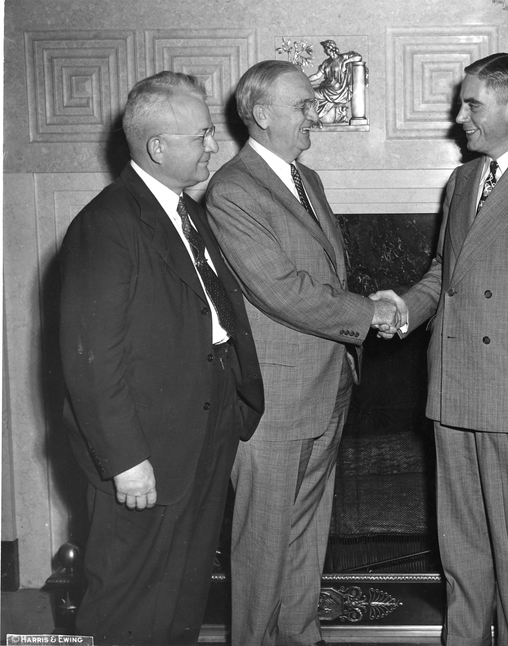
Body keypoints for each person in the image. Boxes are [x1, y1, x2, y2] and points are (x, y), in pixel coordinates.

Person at [372, 53, 508, 646]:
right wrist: (403, 307)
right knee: (462, 545)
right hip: (452, 385)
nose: (459, 116)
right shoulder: (464, 180)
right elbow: (445, 272)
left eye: (471, 103)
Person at [59, 71, 264, 645]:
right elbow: (92, 359)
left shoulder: (186, 213)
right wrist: (125, 460)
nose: (212, 146)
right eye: (201, 135)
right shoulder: (107, 224)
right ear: (158, 147)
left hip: (203, 427)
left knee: (182, 596)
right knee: (128, 604)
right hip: (146, 451)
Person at [204, 60, 399, 646]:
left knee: (305, 532)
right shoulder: (233, 190)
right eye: (302, 106)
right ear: (261, 116)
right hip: (276, 398)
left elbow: (324, 273)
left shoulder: (303, 177)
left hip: (325, 384)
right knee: (263, 543)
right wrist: (370, 313)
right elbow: (282, 290)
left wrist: (363, 311)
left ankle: (300, 635)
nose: (315, 114)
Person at [307, 39, 363, 123]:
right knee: (310, 91)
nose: (325, 50)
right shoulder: (326, 62)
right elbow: (317, 75)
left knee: (311, 93)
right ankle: (314, 115)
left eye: (326, 48)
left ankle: (315, 116)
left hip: (339, 91)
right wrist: (305, 79)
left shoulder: (343, 57)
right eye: (325, 48)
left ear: (331, 48)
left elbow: (359, 57)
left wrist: (345, 63)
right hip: (328, 88)